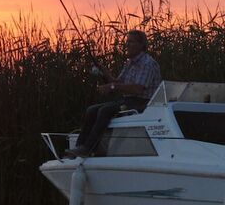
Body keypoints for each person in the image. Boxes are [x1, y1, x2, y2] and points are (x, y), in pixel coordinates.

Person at [66, 29, 161, 157]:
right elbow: (118, 82)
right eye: (127, 42)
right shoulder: (130, 63)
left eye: (131, 42)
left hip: (142, 103)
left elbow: (138, 89)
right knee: (91, 110)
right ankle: (80, 147)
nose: (127, 45)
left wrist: (111, 87)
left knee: (105, 110)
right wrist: (104, 71)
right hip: (128, 101)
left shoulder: (147, 63)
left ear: (141, 45)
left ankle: (89, 148)